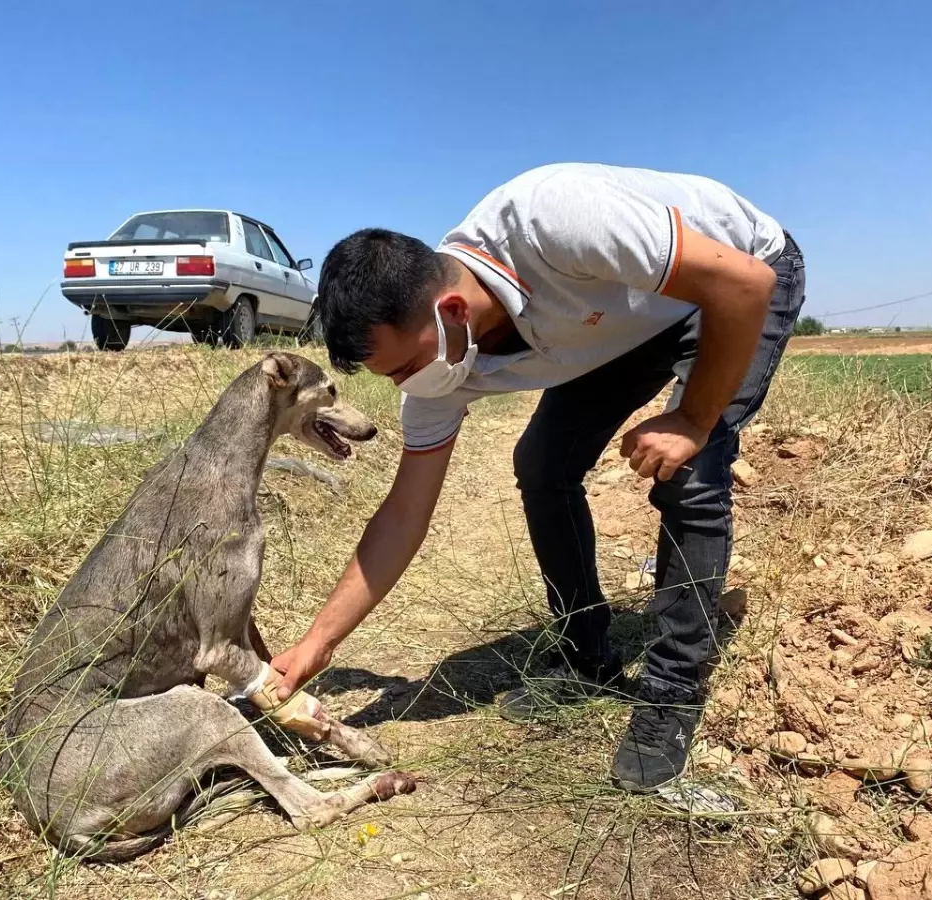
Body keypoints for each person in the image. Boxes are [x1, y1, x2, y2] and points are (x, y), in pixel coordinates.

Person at [272, 162, 805, 791]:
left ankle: (671, 691)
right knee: (544, 465)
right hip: (626, 322)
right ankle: (587, 656)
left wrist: (691, 418)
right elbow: (402, 515)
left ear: (450, 309)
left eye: (407, 365)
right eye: (392, 376)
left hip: (733, 281)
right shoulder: (440, 363)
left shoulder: (555, 220)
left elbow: (745, 284)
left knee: (689, 471)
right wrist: (317, 645)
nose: (406, 387)